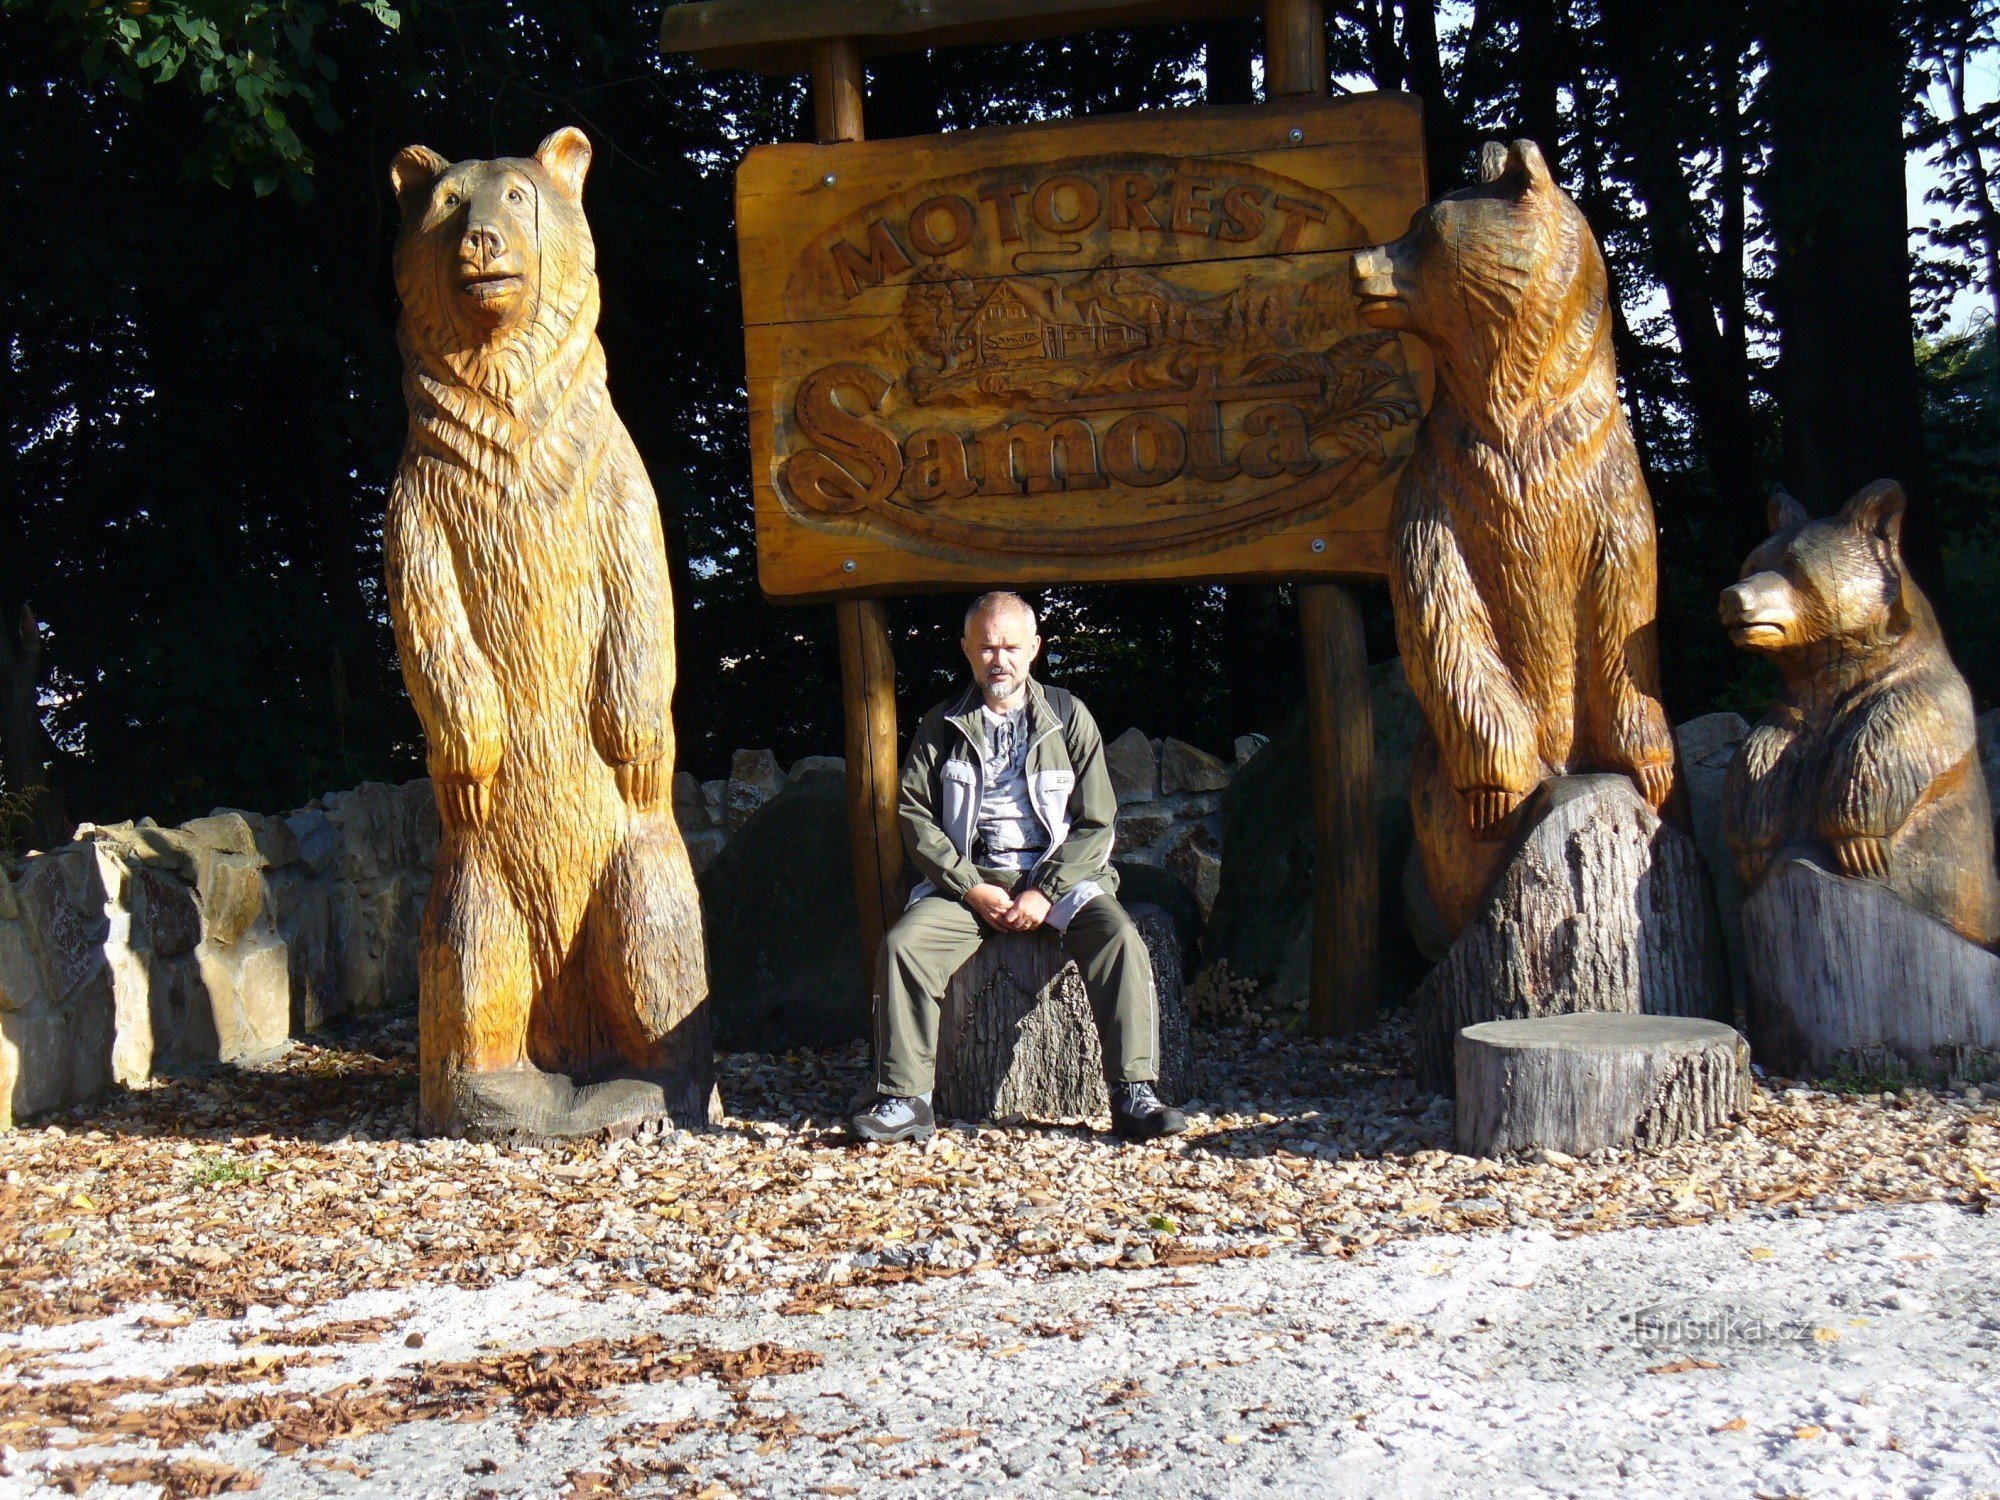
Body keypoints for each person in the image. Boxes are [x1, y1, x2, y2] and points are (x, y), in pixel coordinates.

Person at [849, 591, 1189, 1145]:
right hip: (971, 880)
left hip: (1059, 878)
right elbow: (915, 817)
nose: (998, 660)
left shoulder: (1069, 717)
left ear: (1034, 649)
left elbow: (1097, 821)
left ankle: (1134, 1093)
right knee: (903, 947)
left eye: (1010, 646)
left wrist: (1047, 891)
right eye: (986, 648)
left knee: (1121, 937)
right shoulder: (942, 724)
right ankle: (906, 1099)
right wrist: (968, 885)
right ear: (966, 650)